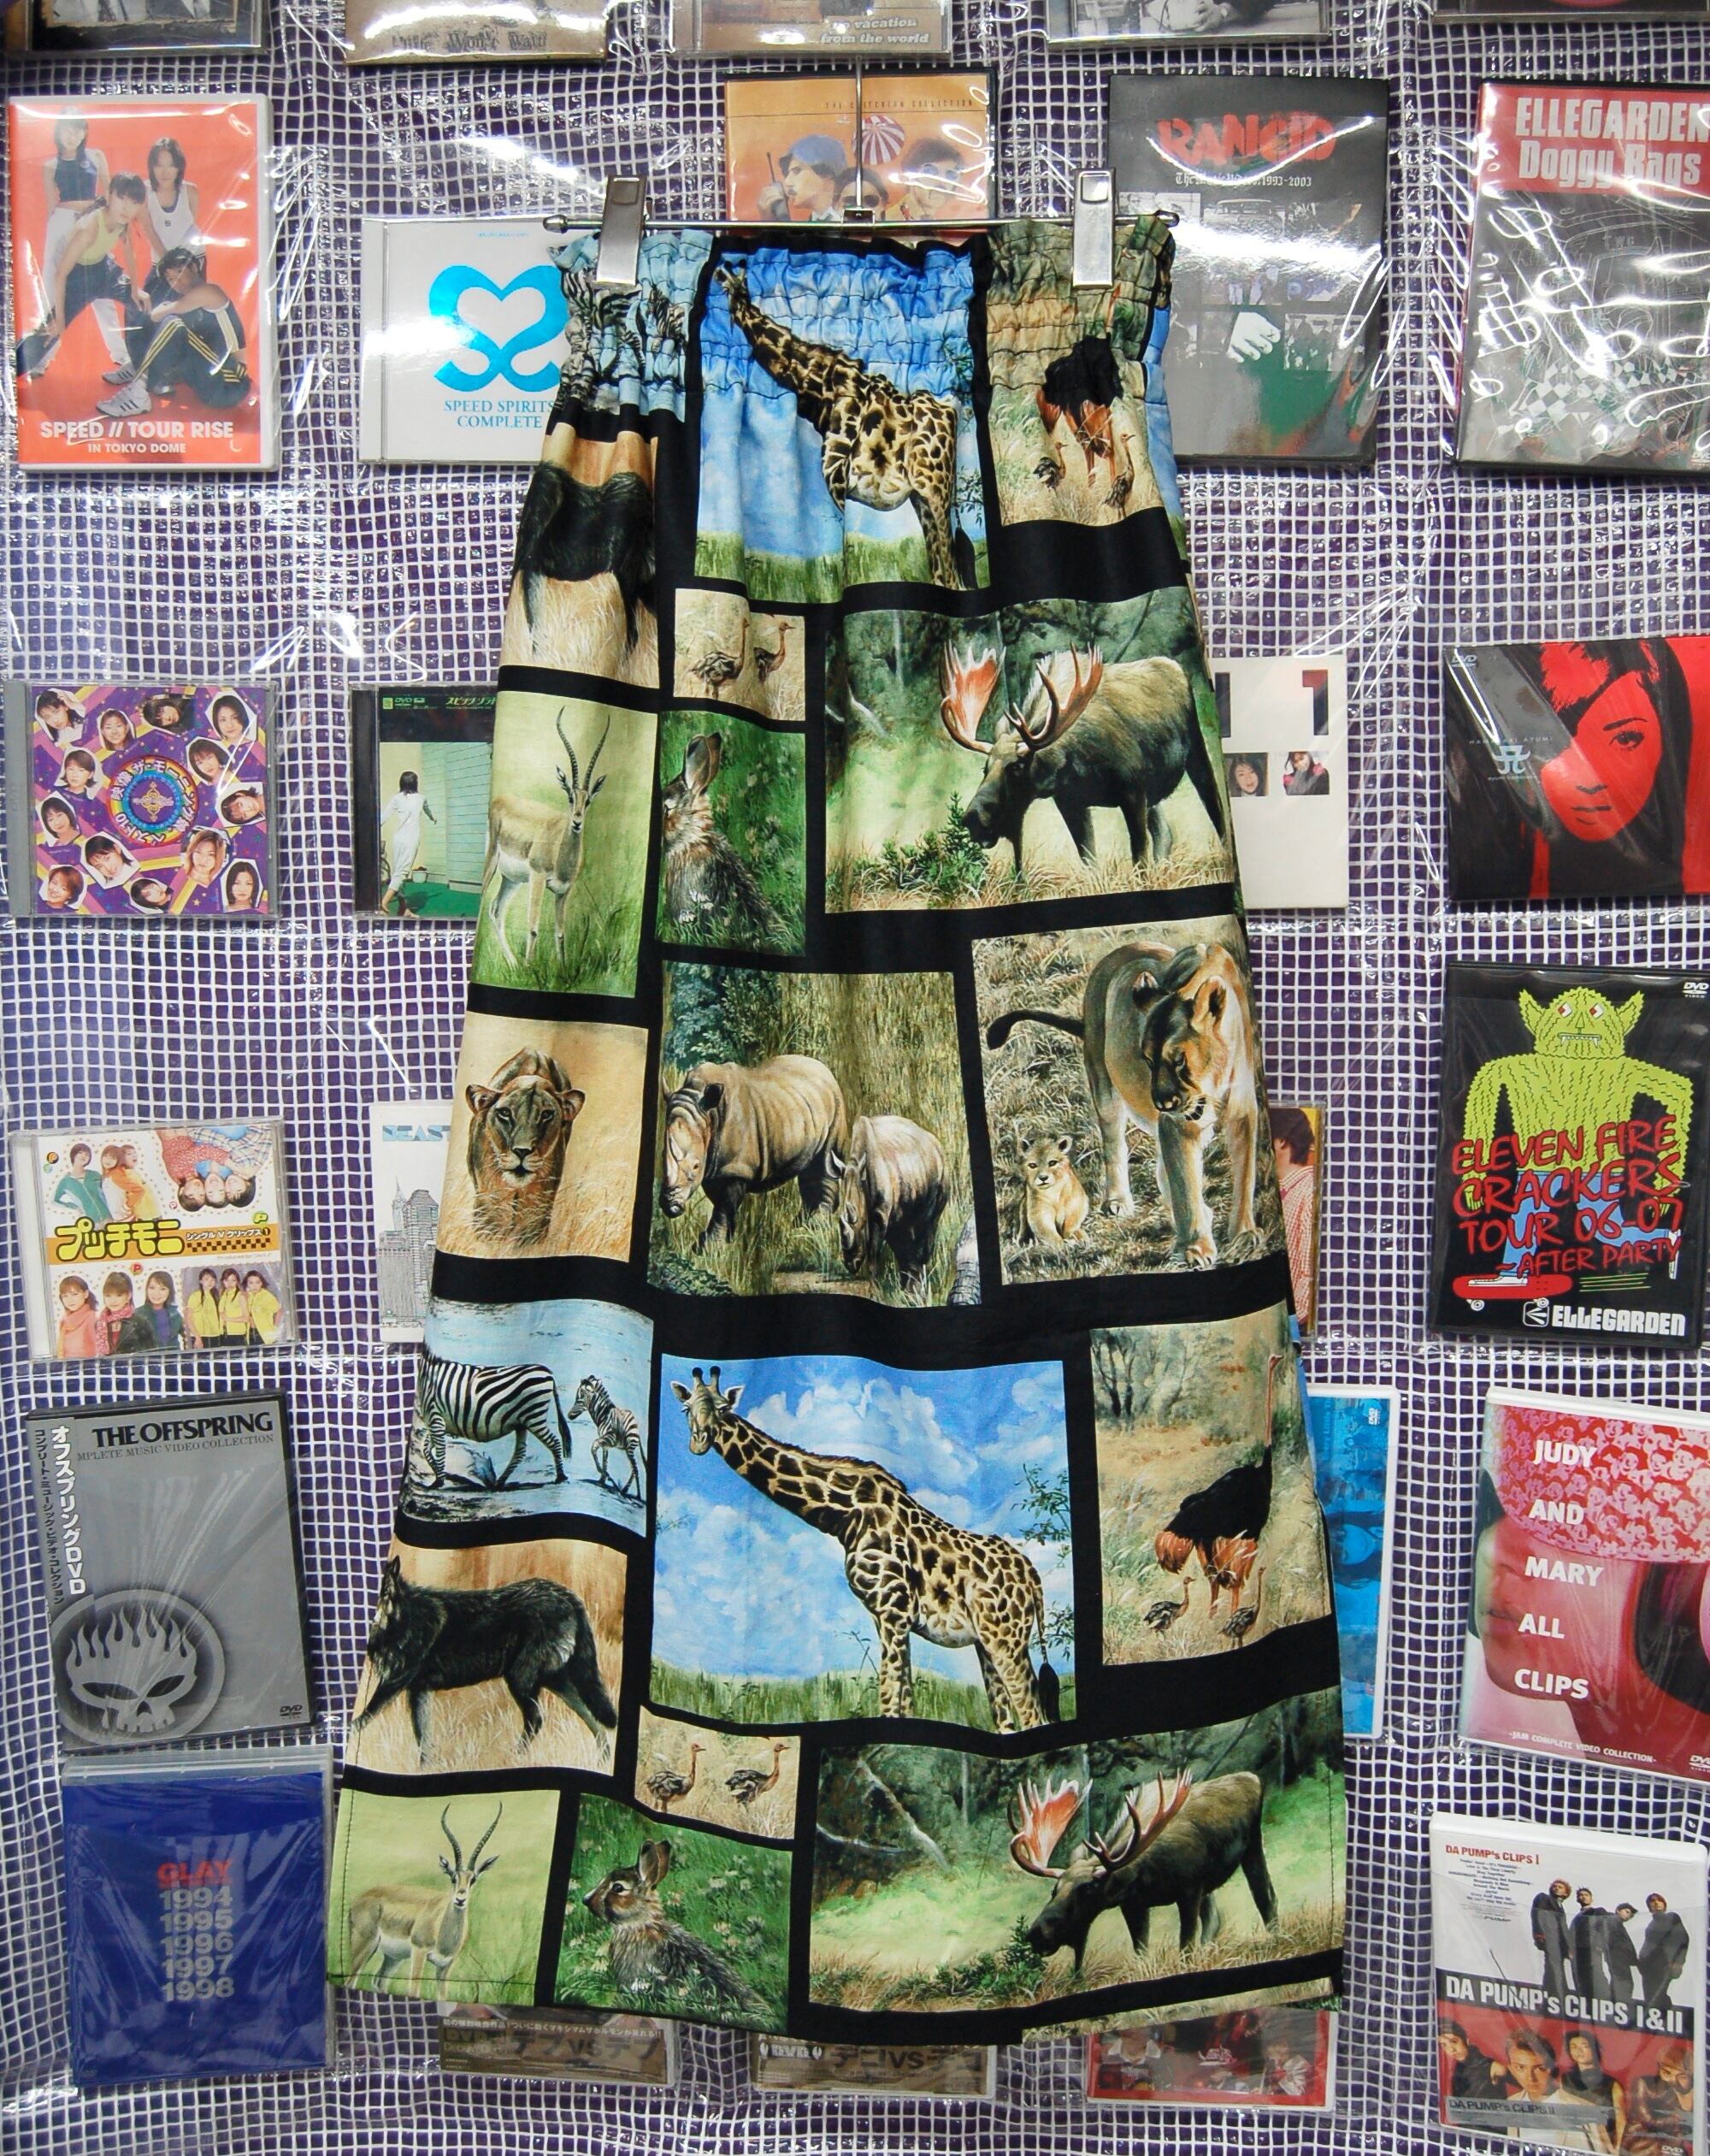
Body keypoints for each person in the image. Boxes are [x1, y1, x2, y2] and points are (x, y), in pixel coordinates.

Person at [18, 173, 151, 385]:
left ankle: (137, 363)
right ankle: (8, 368)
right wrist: (60, 319)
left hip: (103, 269)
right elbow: (61, 274)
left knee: (142, 304)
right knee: (48, 334)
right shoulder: (89, 228)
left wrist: (135, 289)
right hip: (76, 276)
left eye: (134, 203)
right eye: (122, 199)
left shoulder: (122, 219)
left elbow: (128, 250)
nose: (127, 208)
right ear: (109, 196)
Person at [97, 245, 252, 422]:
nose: (176, 282)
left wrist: (160, 310)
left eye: (179, 272)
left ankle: (138, 393)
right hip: (206, 378)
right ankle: (140, 367)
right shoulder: (188, 302)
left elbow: (158, 315)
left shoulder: (210, 291)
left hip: (230, 384)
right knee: (143, 310)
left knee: (172, 323)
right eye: (170, 279)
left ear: (194, 267)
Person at [39, 116, 110, 302]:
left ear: (84, 133)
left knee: (101, 266)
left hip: (92, 216)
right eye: (67, 131)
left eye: (77, 131)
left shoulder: (96, 156)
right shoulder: (51, 165)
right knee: (51, 266)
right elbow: (50, 204)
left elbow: (110, 193)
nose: (72, 136)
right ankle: (47, 315)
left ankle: (111, 321)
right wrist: (51, 228)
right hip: (63, 218)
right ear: (58, 132)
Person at [1269, 1105, 1318, 1331]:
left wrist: (1277, 1327)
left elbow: (1309, 1280)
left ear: (1281, 1141)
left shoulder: (1309, 1191)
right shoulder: (1277, 1192)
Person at [1561, 2026, 1627, 2153]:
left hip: (1602, 2144)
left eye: (1584, 2046)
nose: (1579, 2051)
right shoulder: (1565, 2079)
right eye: (1573, 2047)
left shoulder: (1612, 2084)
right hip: (1572, 2142)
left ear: (1594, 2049)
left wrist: (1617, 2148)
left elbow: (1621, 2120)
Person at [755, 135, 848, 222]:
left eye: (797, 171)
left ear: (827, 173)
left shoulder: (848, 220)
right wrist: (770, 220)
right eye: (787, 174)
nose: (787, 182)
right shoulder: (811, 223)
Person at [380, 771, 436, 913]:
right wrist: (433, 818)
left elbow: (384, 816)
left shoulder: (397, 798)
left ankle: (403, 909)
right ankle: (384, 901)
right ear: (415, 783)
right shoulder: (421, 798)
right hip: (411, 839)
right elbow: (427, 810)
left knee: (398, 872)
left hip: (398, 839)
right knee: (402, 872)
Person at [1630, 2044, 1695, 2156]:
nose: (1673, 2080)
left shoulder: (1695, 2094)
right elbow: (1646, 2120)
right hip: (1644, 2142)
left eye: (1682, 2076)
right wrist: (1675, 2119)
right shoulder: (1644, 2084)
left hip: (1675, 2146)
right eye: (1667, 2073)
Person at [894, 138, 967, 222]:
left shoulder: (930, 220)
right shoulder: (893, 221)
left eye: (951, 175)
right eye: (930, 171)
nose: (942, 182)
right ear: (910, 177)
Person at [1438, 2020, 1511, 2103]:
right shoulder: (1455, 2072)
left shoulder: (1492, 2067)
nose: (1451, 2049)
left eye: (1454, 2041)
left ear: (1466, 2040)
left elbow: (1523, 2086)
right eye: (1444, 2045)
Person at [1641, 1893, 1691, 2009]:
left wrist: (1679, 1962)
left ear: (1664, 1903)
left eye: (1659, 1900)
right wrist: (1641, 1960)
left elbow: (1683, 1939)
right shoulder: (1651, 1924)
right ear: (1649, 1907)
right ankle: (1658, 2017)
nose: (1656, 1903)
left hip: (1664, 1963)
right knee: (1650, 1996)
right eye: (1653, 1901)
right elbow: (1648, 1944)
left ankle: (1665, 2014)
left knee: (1657, 1996)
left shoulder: (1671, 1917)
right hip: (1648, 1965)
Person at [33, 688, 85, 789]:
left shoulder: (82, 721)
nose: (55, 720)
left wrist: (73, 704)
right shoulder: (58, 742)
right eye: (48, 717)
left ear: (65, 706)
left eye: (56, 712)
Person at [172, 829, 228, 916]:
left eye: (211, 854)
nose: (203, 859)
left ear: (219, 857)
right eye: (198, 852)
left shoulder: (220, 886)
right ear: (191, 852)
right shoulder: (178, 879)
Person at [1534, 1877, 1574, 1998]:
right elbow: (1537, 1916)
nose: (1556, 1888)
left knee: (1556, 1969)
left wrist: (1568, 1949)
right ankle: (1555, 1995)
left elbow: (1563, 1929)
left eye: (1560, 1887)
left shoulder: (1561, 1907)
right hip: (1549, 1938)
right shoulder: (1543, 1898)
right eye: (1554, 1886)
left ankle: (1555, 1995)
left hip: (1559, 1944)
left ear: (1566, 1893)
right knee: (1553, 1968)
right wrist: (1540, 1935)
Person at [1573, 1886, 1613, 2001]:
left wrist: (1599, 1943)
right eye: (1581, 1895)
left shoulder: (1597, 1911)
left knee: (1596, 1974)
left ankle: (1605, 1999)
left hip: (1592, 1949)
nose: (1583, 1897)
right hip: (1579, 1952)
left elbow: (1605, 1925)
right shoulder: (1577, 1917)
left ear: (1591, 1898)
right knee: (1583, 1977)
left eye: (1586, 1895)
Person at [52, 1142, 109, 1221]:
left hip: (108, 1217)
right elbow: (54, 1200)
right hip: (89, 1222)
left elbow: (107, 1192)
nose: (84, 1156)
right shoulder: (66, 1181)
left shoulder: (95, 1175)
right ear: (74, 1155)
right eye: (80, 1152)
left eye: (87, 1155)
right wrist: (73, 1207)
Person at [55, 1274, 106, 1358]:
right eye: (65, 1296)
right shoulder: (64, 1322)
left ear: (86, 1294)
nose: (70, 1300)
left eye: (75, 1294)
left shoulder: (93, 1319)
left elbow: (99, 1352)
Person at [133, 1269, 185, 1352]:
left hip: (173, 1358)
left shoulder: (174, 1313)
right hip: (148, 1358)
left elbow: (187, 1336)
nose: (156, 1293)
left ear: (170, 1291)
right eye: (152, 1288)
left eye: (162, 1289)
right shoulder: (138, 1314)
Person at [99, 1272, 142, 1355]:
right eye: (108, 1295)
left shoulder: (139, 1322)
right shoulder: (100, 1323)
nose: (113, 1301)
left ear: (128, 1296)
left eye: (119, 1295)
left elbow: (150, 1353)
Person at [1607, 1904, 1642, 2005]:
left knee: (1623, 1982)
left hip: (1621, 1959)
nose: (1628, 1915)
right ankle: (1620, 2004)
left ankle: (1620, 2004)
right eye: (1626, 1912)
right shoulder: (1612, 1921)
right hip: (1617, 1958)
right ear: (1618, 1910)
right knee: (1623, 1982)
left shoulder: (1619, 1925)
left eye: (1630, 1915)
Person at [243, 1267, 281, 1345]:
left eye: (257, 1282)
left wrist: (275, 1328)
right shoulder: (248, 1296)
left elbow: (279, 1311)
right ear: (247, 1284)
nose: (254, 1286)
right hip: (250, 1333)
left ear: (262, 1283)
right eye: (251, 1283)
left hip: (264, 1334)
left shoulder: (267, 1296)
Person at [186, 1265, 221, 1348]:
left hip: (215, 1335)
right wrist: (197, 1338)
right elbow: (188, 1319)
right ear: (201, 1281)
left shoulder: (216, 1296)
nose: (210, 1282)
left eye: (212, 1280)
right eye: (206, 1280)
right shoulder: (195, 1296)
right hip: (200, 1336)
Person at [38, 795, 84, 859]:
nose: (57, 822)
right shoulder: (52, 849)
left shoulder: (84, 837)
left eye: (59, 815)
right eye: (51, 819)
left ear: (68, 813)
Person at [216, 1266, 249, 1348]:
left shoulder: (240, 1296)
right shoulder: (222, 1295)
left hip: (237, 1335)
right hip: (223, 1335)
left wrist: (228, 1319)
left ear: (237, 1282)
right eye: (227, 1280)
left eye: (233, 1280)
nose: (230, 1283)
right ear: (223, 1281)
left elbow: (246, 1318)